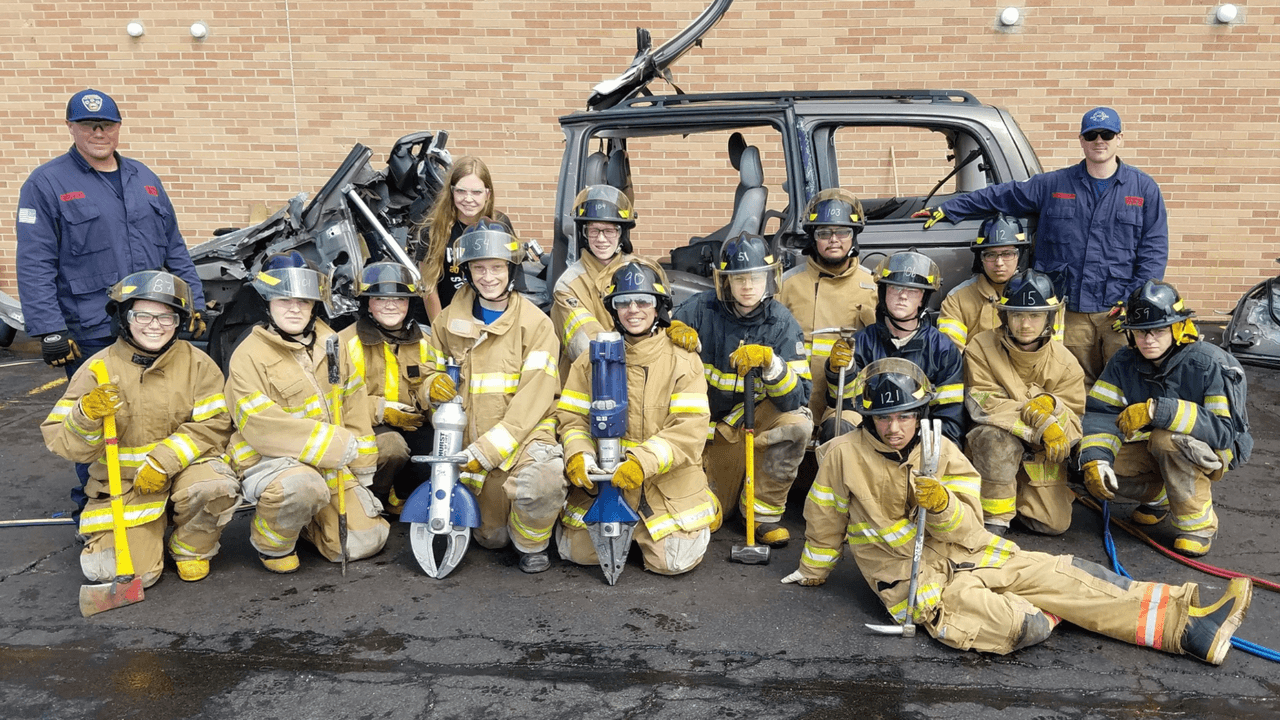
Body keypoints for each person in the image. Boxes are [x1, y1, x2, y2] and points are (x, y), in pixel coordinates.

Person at [784, 357, 1252, 666]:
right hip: (912, 576)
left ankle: (1189, 624)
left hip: (966, 550)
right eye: (884, 417)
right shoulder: (842, 453)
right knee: (1014, 623)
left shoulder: (938, 448)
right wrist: (814, 570)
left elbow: (968, 525)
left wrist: (945, 506)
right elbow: (825, 517)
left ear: (919, 412)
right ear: (868, 416)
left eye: (905, 415)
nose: (895, 427)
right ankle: (1057, 611)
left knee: (1065, 571)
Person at [919, 106, 1168, 385]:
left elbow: (1154, 252)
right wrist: (950, 208)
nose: (1100, 140)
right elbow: (1002, 195)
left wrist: (1134, 300)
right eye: (1092, 135)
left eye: (1107, 134)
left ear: (1119, 138)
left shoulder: (1143, 189)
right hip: (1067, 312)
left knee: (1124, 385)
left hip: (1116, 313)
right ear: (1082, 140)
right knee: (1072, 384)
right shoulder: (1054, 184)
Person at [42, 270, 239, 585]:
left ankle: (190, 547)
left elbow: (216, 425)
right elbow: (64, 443)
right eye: (142, 315)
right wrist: (85, 416)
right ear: (123, 317)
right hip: (125, 486)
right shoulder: (98, 369)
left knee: (217, 488)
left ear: (178, 323)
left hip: (184, 471)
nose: (154, 326)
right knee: (116, 572)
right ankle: (149, 532)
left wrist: (164, 461)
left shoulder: (198, 364)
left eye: (166, 318)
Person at [17, 88, 207, 376]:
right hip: (93, 329)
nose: (98, 133)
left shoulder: (144, 178)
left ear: (118, 126)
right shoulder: (46, 183)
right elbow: (35, 262)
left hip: (151, 321)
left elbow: (174, 247)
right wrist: (50, 329)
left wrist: (194, 302)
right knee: (102, 412)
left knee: (159, 406)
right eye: (87, 125)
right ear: (70, 127)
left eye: (106, 125)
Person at [224, 251, 388, 573]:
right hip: (276, 464)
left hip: (331, 463)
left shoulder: (332, 343)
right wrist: (334, 446)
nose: (295, 308)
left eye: (304, 300)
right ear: (267, 303)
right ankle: (272, 542)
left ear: (315, 305)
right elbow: (261, 426)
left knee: (364, 542)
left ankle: (307, 523)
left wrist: (363, 465)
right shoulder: (247, 356)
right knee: (303, 488)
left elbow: (353, 403)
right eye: (285, 300)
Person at [418, 220, 566, 573]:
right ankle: (506, 522)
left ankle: (533, 544)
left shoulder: (536, 324)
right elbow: (425, 376)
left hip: (523, 443)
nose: (488, 277)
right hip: (469, 448)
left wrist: (486, 451)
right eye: (479, 268)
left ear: (512, 269)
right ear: (467, 271)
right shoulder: (447, 322)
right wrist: (430, 389)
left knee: (545, 481)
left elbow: (533, 403)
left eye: (497, 267)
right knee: (492, 537)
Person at [556, 262, 717, 574]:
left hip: (661, 482)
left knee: (671, 561)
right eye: (623, 302)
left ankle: (700, 510)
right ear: (613, 309)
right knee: (576, 552)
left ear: (659, 307)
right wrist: (578, 453)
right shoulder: (592, 360)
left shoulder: (683, 360)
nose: (633, 310)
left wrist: (642, 461)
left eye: (643, 301)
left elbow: (689, 430)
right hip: (605, 482)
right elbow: (572, 417)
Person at [1080, 280, 1252, 558]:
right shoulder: (1124, 361)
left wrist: (1157, 411)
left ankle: (1197, 525)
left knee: (1167, 440)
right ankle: (1160, 495)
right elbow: (1101, 413)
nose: (1148, 340)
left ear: (1179, 328)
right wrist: (1096, 460)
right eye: (1140, 332)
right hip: (1157, 448)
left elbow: (1223, 431)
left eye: (1159, 331)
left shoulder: (1210, 364)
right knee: (1089, 461)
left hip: (1213, 450)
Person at [672, 233, 812, 547]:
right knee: (711, 516)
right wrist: (674, 332)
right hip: (707, 430)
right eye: (738, 279)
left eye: (755, 277)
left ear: (770, 279)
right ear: (725, 282)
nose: (747, 286)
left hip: (751, 419)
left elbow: (797, 398)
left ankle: (762, 516)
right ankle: (727, 494)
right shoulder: (699, 309)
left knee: (797, 424)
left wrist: (770, 363)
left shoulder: (782, 324)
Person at [963, 270, 1085, 536]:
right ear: (1004, 316)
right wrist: (1039, 420)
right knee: (993, 436)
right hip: (996, 446)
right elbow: (984, 403)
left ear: (1049, 318)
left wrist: (1055, 411)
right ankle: (995, 517)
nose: (1025, 324)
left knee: (1053, 524)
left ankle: (1020, 496)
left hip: (1039, 452)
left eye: (1035, 315)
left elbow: (1075, 419)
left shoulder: (1065, 363)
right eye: (1017, 315)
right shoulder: (980, 347)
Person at [550, 185, 699, 377]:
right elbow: (586, 346)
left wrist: (675, 326)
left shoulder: (648, 270)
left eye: (609, 230)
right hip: (594, 380)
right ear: (584, 233)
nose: (601, 239)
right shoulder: (568, 285)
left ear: (622, 233)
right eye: (594, 231)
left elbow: (662, 328)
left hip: (649, 377)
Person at [824, 251, 965, 445]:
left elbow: (949, 417)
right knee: (837, 424)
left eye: (913, 290)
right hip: (870, 441)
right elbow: (844, 405)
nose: (903, 296)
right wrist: (842, 372)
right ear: (883, 292)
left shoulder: (942, 349)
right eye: (895, 287)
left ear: (923, 298)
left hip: (917, 446)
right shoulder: (862, 343)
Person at [776, 188, 877, 443]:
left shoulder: (873, 287)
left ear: (853, 237)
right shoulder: (787, 285)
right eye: (823, 233)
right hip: (793, 400)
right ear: (813, 238)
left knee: (841, 436)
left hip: (846, 402)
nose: (834, 240)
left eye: (842, 232)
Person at [337, 261, 431, 514]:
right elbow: (335, 402)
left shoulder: (426, 342)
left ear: (410, 303)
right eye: (380, 298)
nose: (391, 305)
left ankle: (404, 494)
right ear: (367, 302)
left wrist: (433, 394)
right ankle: (374, 498)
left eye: (399, 298)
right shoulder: (343, 343)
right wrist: (381, 410)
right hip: (363, 425)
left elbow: (432, 384)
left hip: (410, 421)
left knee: (436, 450)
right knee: (392, 447)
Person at [413, 156, 515, 322]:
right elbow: (429, 289)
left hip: (486, 317)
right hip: (442, 317)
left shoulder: (500, 225)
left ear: (487, 194)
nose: (468, 199)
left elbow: (511, 278)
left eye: (476, 192)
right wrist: (441, 330)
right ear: (452, 192)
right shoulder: (432, 230)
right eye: (461, 191)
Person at [938, 214, 1030, 349]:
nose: (999, 263)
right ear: (980, 258)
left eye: (1007, 254)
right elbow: (952, 356)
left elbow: (1048, 353)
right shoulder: (957, 299)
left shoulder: (1038, 296)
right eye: (991, 255)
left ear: (1019, 255)